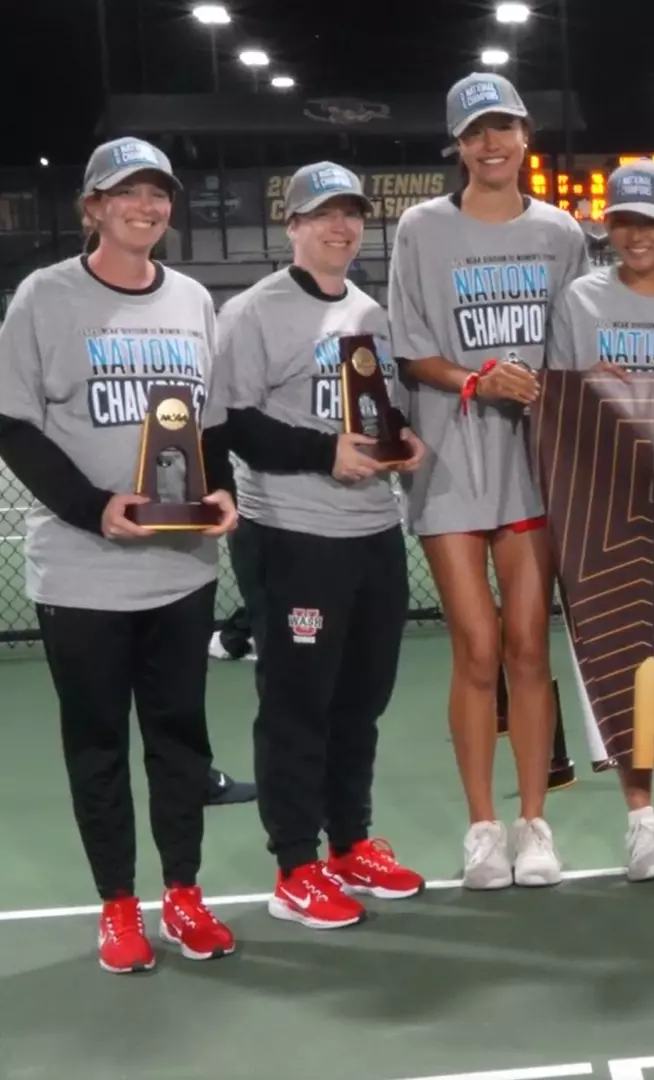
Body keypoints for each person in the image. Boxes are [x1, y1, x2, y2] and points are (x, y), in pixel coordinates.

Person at [0, 137, 241, 972]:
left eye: (159, 194)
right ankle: (117, 906)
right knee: (97, 744)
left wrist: (219, 493)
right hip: (83, 572)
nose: (147, 207)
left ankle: (182, 894)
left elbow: (205, 427)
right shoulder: (45, 296)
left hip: (179, 569)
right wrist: (93, 509)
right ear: (93, 207)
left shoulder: (193, 301)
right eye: (127, 193)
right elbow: (12, 424)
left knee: (180, 739)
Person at [388, 73, 588, 890]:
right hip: (450, 463)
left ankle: (535, 824)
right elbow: (408, 351)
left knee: (527, 646)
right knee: (476, 647)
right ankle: (482, 828)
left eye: (502, 128)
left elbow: (576, 347)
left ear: (525, 135)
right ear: (459, 147)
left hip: (535, 466)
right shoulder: (421, 229)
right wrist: (478, 378)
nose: (490, 144)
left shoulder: (563, 231)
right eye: (475, 133)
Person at [217, 162, 430, 929]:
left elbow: (385, 416)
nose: (339, 228)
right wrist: (319, 454)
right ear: (293, 227)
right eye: (322, 216)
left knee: (361, 700)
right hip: (292, 534)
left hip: (373, 531)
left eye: (349, 215)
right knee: (298, 703)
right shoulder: (253, 312)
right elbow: (230, 422)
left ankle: (351, 843)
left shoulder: (372, 313)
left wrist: (401, 444)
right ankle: (295, 866)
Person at [547, 159, 654, 881]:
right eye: (622, 221)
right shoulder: (580, 301)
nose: (635, 235)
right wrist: (588, 388)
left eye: (650, 221)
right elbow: (556, 404)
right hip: (609, 503)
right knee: (621, 664)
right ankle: (641, 820)